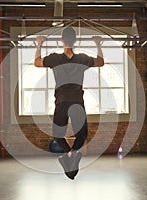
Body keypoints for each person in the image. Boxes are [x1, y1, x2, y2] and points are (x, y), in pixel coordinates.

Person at [34, 27, 104, 180]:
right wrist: (98, 44)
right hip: (77, 102)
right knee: (82, 134)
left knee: (58, 136)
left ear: (62, 41)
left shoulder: (54, 58)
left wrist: (39, 44)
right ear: (75, 41)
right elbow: (100, 62)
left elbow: (37, 63)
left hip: (62, 102)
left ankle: (70, 153)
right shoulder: (81, 58)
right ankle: (73, 153)